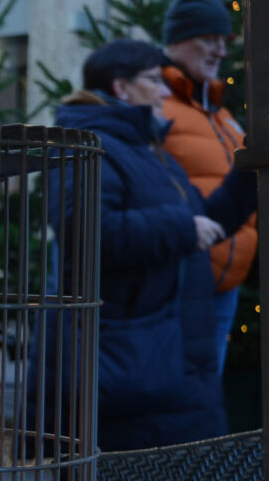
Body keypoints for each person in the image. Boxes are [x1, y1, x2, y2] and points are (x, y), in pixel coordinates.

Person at [33, 39, 256, 453]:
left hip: (167, 361)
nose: (166, 92)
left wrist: (248, 173)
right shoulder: (86, 146)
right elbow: (87, 233)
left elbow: (201, 225)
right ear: (121, 87)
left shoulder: (146, 150)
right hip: (129, 368)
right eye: (155, 80)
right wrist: (182, 227)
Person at [161, 0, 256, 375]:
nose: (219, 50)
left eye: (223, 41)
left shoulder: (221, 113)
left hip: (225, 290)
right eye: (209, 39)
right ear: (177, 40)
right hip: (182, 289)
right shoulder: (153, 108)